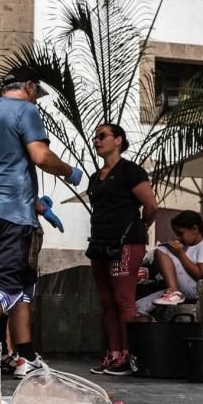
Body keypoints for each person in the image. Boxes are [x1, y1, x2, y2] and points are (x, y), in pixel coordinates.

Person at [0, 66, 83, 378]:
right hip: (13, 216)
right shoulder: (25, 110)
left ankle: (25, 356)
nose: (38, 99)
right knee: (7, 286)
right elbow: (40, 156)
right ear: (31, 86)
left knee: (22, 286)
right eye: (38, 93)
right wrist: (69, 171)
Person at [84, 123, 157, 376]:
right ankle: (113, 354)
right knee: (106, 302)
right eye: (95, 137)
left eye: (102, 136)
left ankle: (129, 355)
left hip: (126, 243)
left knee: (124, 300)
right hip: (100, 243)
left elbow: (150, 205)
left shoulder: (131, 171)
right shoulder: (95, 177)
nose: (97, 141)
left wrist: (140, 227)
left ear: (118, 140)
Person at [136, 210, 203, 316]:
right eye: (177, 235)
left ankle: (174, 293)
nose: (178, 238)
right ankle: (148, 328)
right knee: (139, 307)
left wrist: (180, 254)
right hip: (187, 288)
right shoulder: (189, 246)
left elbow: (199, 275)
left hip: (199, 290)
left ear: (194, 229)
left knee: (161, 250)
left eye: (181, 234)